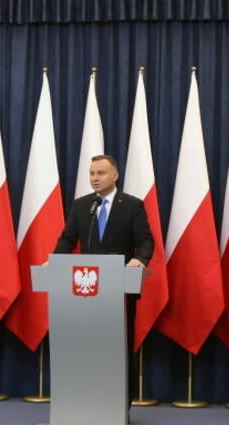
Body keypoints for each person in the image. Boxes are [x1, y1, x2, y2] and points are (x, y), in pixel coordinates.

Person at [53, 154, 154, 409]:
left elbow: (145, 240)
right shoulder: (81, 205)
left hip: (118, 291)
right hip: (86, 292)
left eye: (100, 173)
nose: (95, 179)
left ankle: (121, 406)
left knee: (119, 349)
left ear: (115, 175)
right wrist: (54, 261)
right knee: (87, 348)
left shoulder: (131, 205)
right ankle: (87, 403)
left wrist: (140, 260)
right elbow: (67, 239)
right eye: (91, 174)